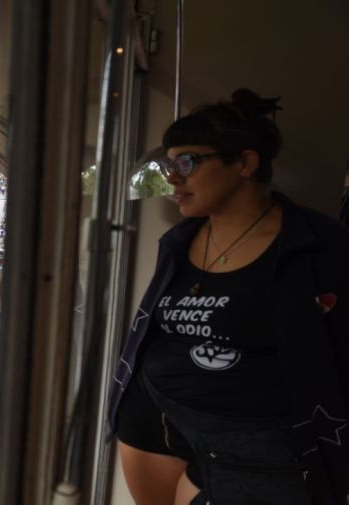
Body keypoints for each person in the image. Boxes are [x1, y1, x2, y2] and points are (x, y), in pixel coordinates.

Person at [110, 89, 349, 505]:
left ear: (244, 162)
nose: (172, 178)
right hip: (158, 435)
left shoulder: (317, 247)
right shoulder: (177, 242)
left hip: (257, 460)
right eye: (168, 165)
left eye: (186, 162)